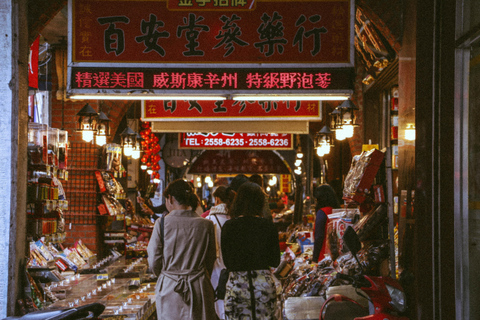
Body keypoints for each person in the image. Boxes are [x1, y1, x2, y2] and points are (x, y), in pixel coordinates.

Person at [147, 179, 217, 320]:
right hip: (199, 286)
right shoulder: (206, 225)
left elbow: (154, 260)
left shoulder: (162, 224)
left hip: (170, 287)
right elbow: (211, 258)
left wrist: (166, 274)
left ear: (170, 198)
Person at [221, 182, 281, 320]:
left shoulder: (229, 226)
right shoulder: (267, 226)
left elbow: (227, 262)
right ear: (260, 202)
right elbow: (275, 261)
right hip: (263, 287)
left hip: (236, 286)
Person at [205, 186, 235, 320]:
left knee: (219, 304)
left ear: (216, 199)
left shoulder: (208, 220)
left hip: (216, 269)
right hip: (234, 269)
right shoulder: (235, 217)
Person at [312, 184, 341, 263]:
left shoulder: (322, 212)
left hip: (323, 257)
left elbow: (319, 236)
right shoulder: (336, 210)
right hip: (336, 255)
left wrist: (314, 259)